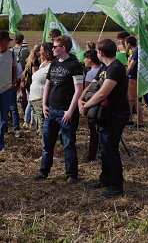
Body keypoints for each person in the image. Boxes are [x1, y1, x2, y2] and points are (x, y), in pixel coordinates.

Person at [79, 39, 130, 198]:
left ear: (100, 53)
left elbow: (103, 93)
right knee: (104, 148)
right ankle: (105, 179)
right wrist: (81, 99)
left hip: (115, 114)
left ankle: (116, 186)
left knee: (110, 149)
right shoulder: (105, 67)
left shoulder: (116, 68)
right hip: (104, 115)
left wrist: (85, 106)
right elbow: (92, 85)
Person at [35, 35, 84, 185]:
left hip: (65, 112)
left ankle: (72, 175)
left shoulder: (74, 65)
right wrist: (44, 105)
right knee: (47, 144)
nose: (52, 48)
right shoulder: (55, 63)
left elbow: (78, 90)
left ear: (63, 48)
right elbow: (48, 85)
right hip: (51, 111)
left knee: (68, 145)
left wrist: (70, 111)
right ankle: (44, 171)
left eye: (55, 46)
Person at [83, 50, 102, 162]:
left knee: (93, 131)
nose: (84, 61)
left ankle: (92, 155)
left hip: (92, 103)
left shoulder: (90, 73)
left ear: (90, 59)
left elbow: (87, 89)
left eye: (85, 58)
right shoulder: (103, 69)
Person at [125, 36, 143, 125]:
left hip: (132, 78)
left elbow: (131, 67)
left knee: (135, 100)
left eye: (125, 43)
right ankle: (130, 119)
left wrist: (128, 61)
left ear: (129, 43)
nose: (125, 45)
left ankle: (140, 122)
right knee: (130, 100)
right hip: (133, 77)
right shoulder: (136, 51)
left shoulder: (135, 52)